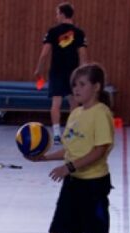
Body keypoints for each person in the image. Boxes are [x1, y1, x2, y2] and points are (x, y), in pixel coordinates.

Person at [1, 63, 127, 233]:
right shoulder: (77, 113)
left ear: (96, 87)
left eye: (82, 84)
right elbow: (70, 150)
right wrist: (44, 158)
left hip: (93, 186)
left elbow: (99, 151)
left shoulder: (101, 114)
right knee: (56, 231)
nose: (76, 89)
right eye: (74, 85)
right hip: (74, 184)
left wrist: (69, 167)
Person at [33, 2, 88, 145]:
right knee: (74, 103)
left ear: (63, 14)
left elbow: (45, 53)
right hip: (73, 72)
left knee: (55, 103)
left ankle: (57, 135)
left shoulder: (53, 32)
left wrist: (38, 69)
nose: (56, 16)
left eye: (57, 13)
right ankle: (71, 133)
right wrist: (83, 73)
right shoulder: (79, 33)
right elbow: (82, 54)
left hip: (57, 71)